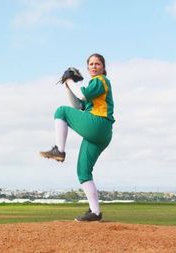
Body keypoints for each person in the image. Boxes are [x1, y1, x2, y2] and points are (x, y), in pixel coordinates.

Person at [40, 53, 114, 222]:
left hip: (98, 124)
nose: (94, 66)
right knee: (83, 171)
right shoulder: (93, 86)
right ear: (87, 68)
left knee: (61, 111)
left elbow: (81, 95)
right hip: (100, 134)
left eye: (97, 64)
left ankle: (59, 150)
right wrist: (68, 86)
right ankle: (95, 212)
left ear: (103, 67)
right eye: (91, 64)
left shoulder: (101, 81)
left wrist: (69, 81)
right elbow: (78, 104)